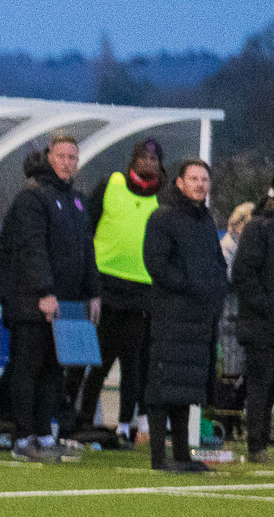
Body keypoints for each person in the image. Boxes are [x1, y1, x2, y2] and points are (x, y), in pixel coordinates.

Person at [0, 133, 100, 461]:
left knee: (54, 371)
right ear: (49, 157)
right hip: (31, 302)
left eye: (73, 157)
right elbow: (32, 247)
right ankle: (22, 437)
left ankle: (43, 434)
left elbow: (87, 249)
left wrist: (94, 292)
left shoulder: (77, 200)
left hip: (66, 304)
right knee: (28, 368)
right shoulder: (32, 196)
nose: (67, 163)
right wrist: (44, 291)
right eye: (62, 156)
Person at [141, 159, 227, 473]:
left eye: (205, 179)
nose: (200, 184)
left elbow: (217, 264)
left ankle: (182, 456)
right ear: (180, 183)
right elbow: (156, 263)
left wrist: (217, 290)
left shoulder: (206, 221)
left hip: (199, 318)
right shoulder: (162, 217)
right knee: (162, 386)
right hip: (171, 315)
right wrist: (190, 287)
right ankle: (158, 457)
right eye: (194, 179)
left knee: (186, 389)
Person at [78, 138, 164, 445]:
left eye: (154, 159)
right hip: (105, 287)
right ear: (133, 160)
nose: (149, 162)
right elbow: (86, 227)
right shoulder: (110, 184)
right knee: (98, 360)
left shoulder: (162, 199)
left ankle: (125, 426)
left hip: (141, 292)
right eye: (144, 156)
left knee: (133, 365)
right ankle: (83, 420)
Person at [232, 173, 274, 462]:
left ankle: (270, 441)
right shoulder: (258, 228)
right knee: (261, 385)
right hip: (261, 324)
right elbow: (243, 273)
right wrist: (266, 306)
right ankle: (256, 445)